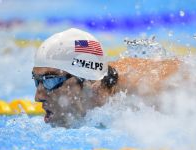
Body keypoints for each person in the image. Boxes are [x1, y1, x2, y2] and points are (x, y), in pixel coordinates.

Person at [32, 28, 179, 127]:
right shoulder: (97, 94)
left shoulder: (150, 92)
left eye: (51, 81)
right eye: (37, 81)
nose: (38, 97)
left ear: (90, 80)